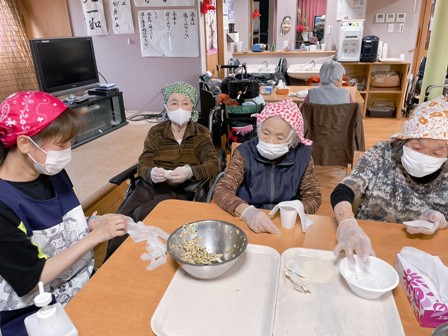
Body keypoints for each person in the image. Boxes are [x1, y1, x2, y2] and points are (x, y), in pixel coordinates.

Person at [0, 91, 128, 335]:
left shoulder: (50, 172)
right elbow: (32, 279)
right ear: (25, 143)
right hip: (36, 312)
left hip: (82, 282)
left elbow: (62, 226)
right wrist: (94, 237)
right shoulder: (4, 204)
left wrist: (91, 223)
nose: (67, 152)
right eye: (61, 145)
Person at [331, 96, 448, 264]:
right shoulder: (382, 154)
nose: (425, 156)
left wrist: (441, 222)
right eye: (417, 147)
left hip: (419, 252)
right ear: (405, 140)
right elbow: (344, 190)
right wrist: (348, 224)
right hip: (366, 243)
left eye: (437, 153)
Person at [213, 99, 322, 234]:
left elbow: (314, 197)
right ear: (259, 127)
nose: (271, 141)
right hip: (248, 222)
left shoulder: (302, 156)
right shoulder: (245, 153)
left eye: (280, 138)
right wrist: (247, 212)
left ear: (292, 139)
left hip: (286, 224)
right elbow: (222, 189)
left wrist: (295, 209)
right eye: (265, 133)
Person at [117, 82, 219, 222]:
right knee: (119, 220)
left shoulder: (200, 133)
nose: (179, 108)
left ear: (192, 107)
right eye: (174, 103)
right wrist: (151, 173)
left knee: (142, 215)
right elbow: (143, 163)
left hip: (183, 190)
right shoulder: (156, 132)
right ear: (166, 107)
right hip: (152, 185)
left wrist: (189, 172)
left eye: (185, 103)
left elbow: (213, 164)